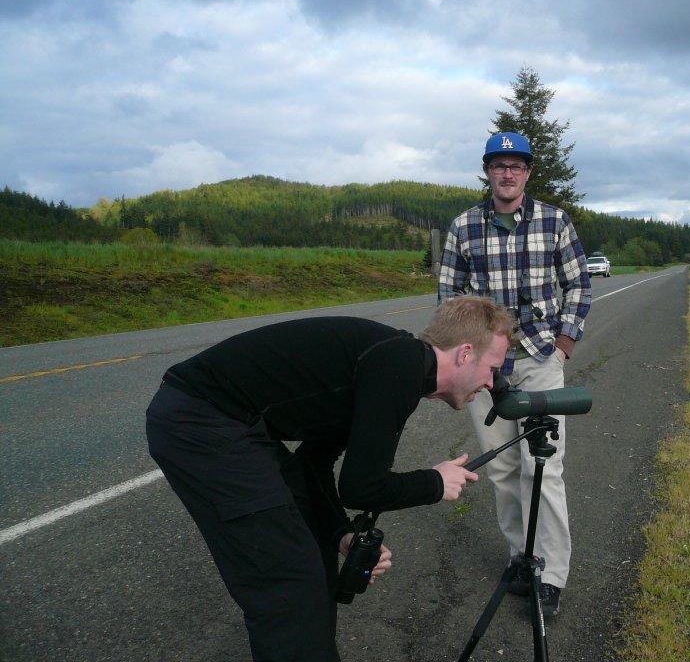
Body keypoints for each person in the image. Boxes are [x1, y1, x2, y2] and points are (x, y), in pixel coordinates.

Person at [146, 296, 512, 662]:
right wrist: (434, 482)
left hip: (235, 423)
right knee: (288, 578)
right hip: (201, 420)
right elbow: (362, 487)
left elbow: (312, 465)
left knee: (314, 551)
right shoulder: (400, 364)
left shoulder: (394, 362)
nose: (492, 382)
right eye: (493, 367)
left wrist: (341, 534)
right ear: (465, 354)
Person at [438, 131, 592, 617]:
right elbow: (448, 299)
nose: (507, 173)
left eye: (516, 165)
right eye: (498, 165)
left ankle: (550, 575)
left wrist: (564, 344)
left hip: (540, 357)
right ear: (487, 171)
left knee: (542, 466)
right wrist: (459, 358)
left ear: (527, 172)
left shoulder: (554, 221)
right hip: (487, 369)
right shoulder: (464, 227)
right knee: (503, 468)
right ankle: (521, 558)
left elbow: (579, 284)